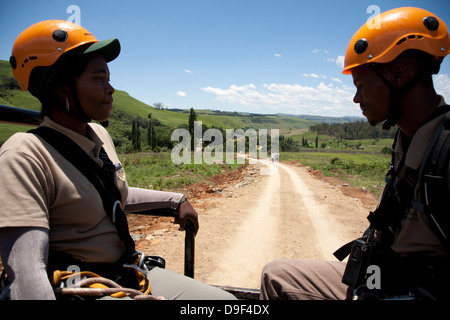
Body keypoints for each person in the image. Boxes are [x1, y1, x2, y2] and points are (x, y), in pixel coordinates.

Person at [0, 20, 235, 300]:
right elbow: (27, 274)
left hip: (127, 272)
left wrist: (176, 199)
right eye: (99, 78)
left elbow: (112, 195)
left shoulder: (98, 135)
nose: (110, 89)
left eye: (108, 78)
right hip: (81, 285)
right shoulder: (24, 154)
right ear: (62, 87)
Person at [260, 7, 450, 300]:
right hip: (380, 275)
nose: (356, 98)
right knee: (276, 275)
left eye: (361, 85)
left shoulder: (445, 151)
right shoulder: (407, 138)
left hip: (406, 289)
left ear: (398, 76)